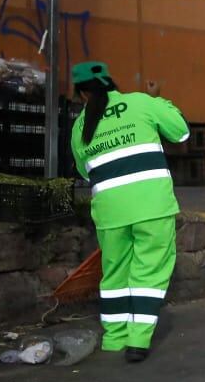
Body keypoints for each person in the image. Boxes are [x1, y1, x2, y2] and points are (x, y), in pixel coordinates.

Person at [69, 62, 190, 362]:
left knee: (114, 273)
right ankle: (138, 340)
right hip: (152, 205)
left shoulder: (80, 126)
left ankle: (114, 338)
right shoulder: (141, 103)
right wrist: (159, 99)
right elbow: (181, 132)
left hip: (110, 211)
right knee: (149, 270)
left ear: (82, 94)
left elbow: (85, 171)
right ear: (111, 82)